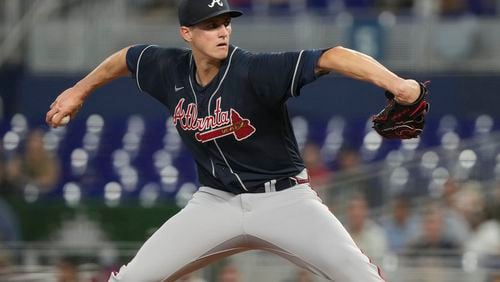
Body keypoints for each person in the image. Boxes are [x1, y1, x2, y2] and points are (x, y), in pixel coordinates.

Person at [45, 0, 422, 281]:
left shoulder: (255, 70)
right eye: (210, 25)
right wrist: (80, 89)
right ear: (186, 33)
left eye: (225, 22)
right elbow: (126, 58)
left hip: (285, 201)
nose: (223, 31)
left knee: (362, 278)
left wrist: (395, 83)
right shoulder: (167, 69)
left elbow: (333, 56)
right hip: (215, 203)